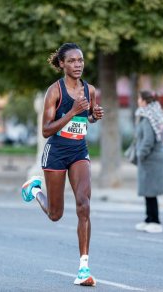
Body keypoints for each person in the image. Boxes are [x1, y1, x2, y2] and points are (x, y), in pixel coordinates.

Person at [20, 43, 104, 286]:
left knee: (84, 204)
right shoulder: (54, 92)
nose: (78, 65)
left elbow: (85, 118)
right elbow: (46, 130)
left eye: (81, 60)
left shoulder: (90, 90)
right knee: (56, 215)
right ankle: (34, 190)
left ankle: (83, 269)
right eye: (72, 61)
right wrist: (72, 111)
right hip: (56, 152)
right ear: (62, 64)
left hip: (79, 150)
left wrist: (92, 116)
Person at [134, 91, 163, 233]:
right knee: (148, 190)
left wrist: (140, 154)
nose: (138, 101)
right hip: (152, 158)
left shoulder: (148, 117)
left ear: (144, 101)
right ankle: (148, 218)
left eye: (139, 98)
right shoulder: (152, 113)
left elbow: (148, 140)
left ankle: (155, 221)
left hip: (152, 159)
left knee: (151, 190)